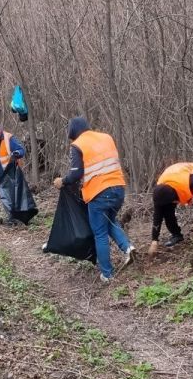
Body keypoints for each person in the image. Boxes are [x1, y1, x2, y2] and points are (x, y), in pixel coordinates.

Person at [53, 117, 135, 282]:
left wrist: (63, 181)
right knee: (110, 220)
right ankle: (128, 248)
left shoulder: (78, 145)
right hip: (118, 188)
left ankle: (107, 274)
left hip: (99, 193)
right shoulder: (106, 137)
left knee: (100, 233)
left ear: (73, 132)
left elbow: (76, 174)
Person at [149, 162, 193, 254]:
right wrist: (154, 239)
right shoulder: (160, 195)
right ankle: (177, 235)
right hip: (174, 180)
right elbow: (157, 218)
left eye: (174, 201)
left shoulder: (187, 182)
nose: (176, 203)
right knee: (167, 213)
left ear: (175, 196)